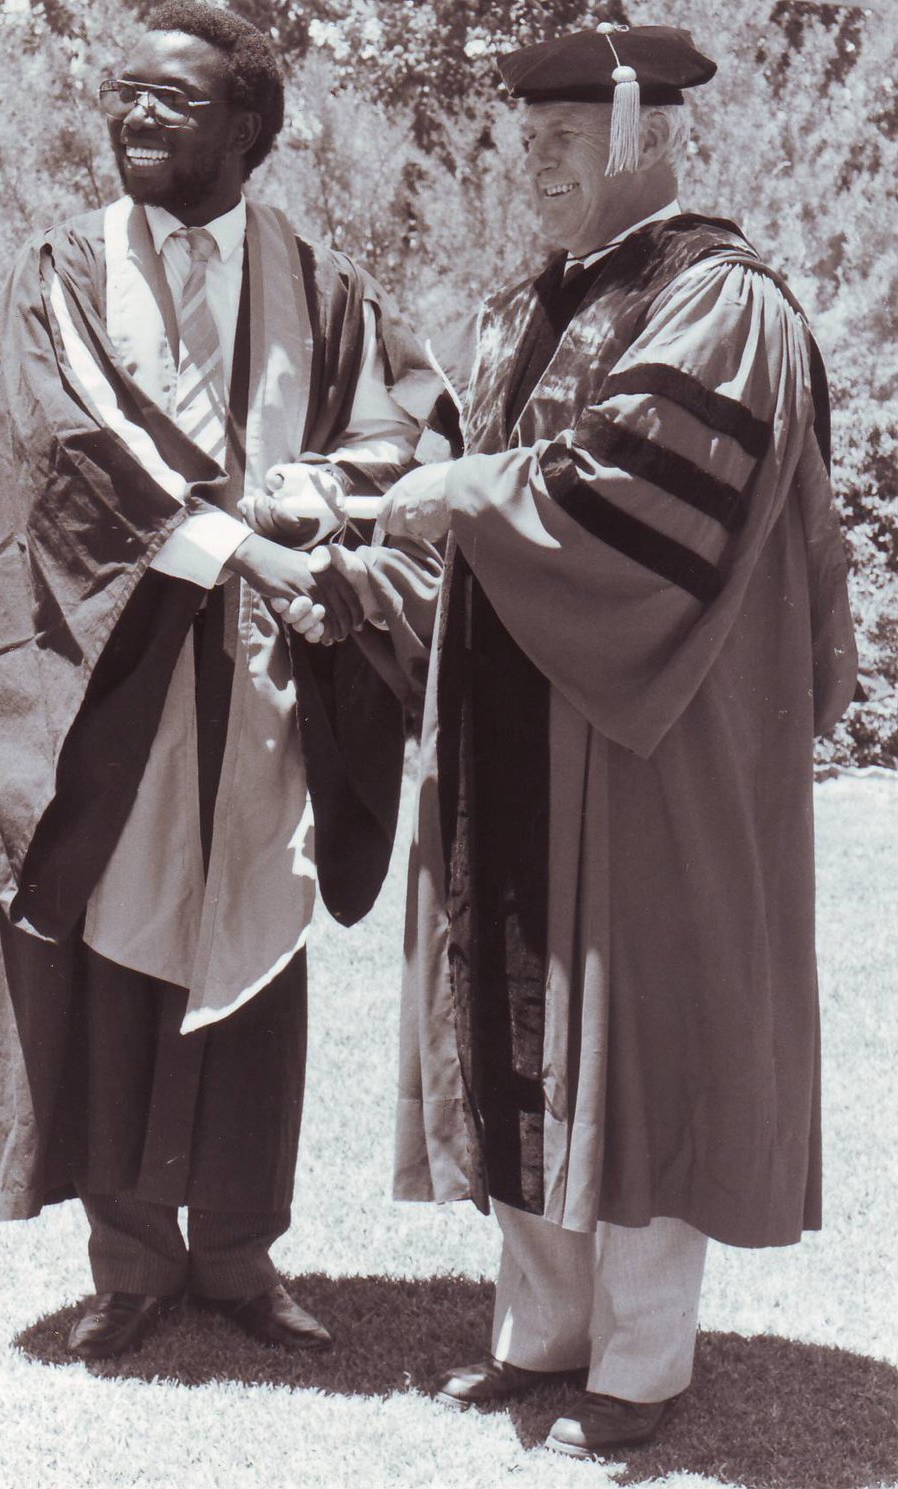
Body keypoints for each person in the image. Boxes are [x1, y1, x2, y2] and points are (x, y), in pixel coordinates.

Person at [383, 23, 857, 1460]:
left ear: (647, 141)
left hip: (649, 742)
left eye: (563, 141)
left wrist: (463, 486)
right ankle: (544, 1331)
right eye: (524, 140)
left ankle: (643, 1362)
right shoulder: (532, 300)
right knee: (514, 998)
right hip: (518, 726)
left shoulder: (721, 302)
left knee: (637, 1026)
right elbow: (482, 461)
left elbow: (634, 498)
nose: (533, 163)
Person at [0, 0, 442, 1363]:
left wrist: (325, 485)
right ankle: (129, 1262)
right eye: (122, 96)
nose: (134, 115)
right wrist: (247, 547)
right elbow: (72, 441)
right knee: (115, 954)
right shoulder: (62, 265)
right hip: (112, 685)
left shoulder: (318, 281)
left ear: (251, 128)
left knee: (254, 960)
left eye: (171, 100)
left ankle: (236, 1256)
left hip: (264, 695)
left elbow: (412, 417)